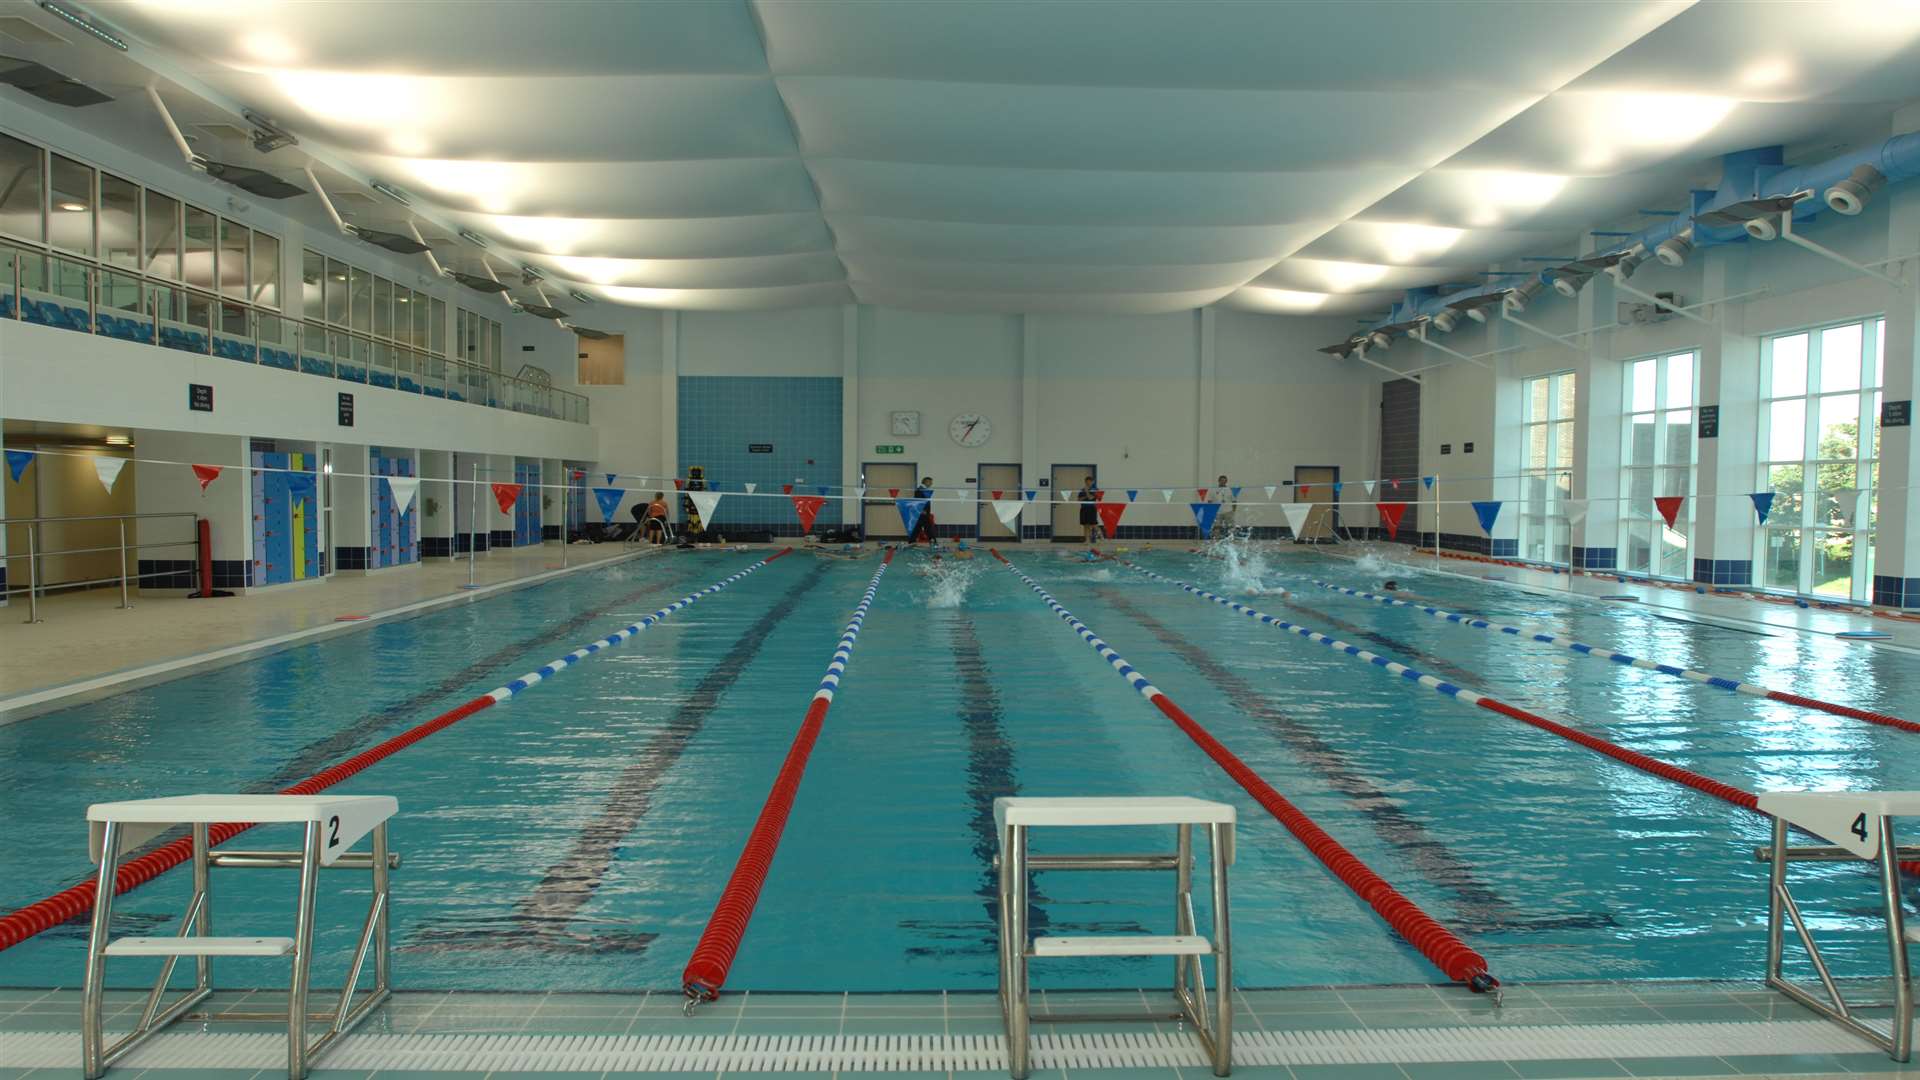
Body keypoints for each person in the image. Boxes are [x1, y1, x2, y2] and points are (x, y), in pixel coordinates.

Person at [910, 476, 936, 544]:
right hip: (922, 512)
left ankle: (911, 541)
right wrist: (922, 510)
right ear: (926, 482)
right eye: (930, 482)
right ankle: (933, 541)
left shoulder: (925, 490)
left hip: (923, 512)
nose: (931, 483)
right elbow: (917, 501)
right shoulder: (920, 490)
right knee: (927, 527)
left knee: (918, 527)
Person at [1077, 475, 1099, 546]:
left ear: (1092, 482)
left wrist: (1086, 492)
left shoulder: (1095, 489)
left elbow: (1090, 498)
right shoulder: (1082, 490)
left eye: (1089, 481)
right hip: (1084, 508)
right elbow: (1079, 499)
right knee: (1085, 525)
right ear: (1085, 482)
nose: (1088, 483)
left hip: (1092, 508)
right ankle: (1087, 540)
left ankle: (1101, 538)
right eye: (1087, 482)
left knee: (1094, 524)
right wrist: (1086, 494)